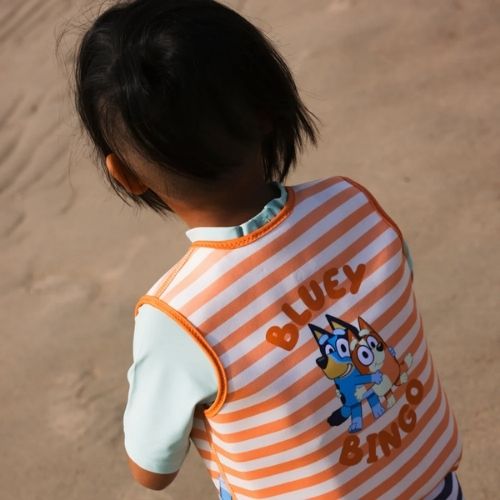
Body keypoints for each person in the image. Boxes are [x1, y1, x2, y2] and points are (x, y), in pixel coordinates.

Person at [73, 0, 463, 498]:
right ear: (265, 110)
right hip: (433, 484)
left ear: (126, 176)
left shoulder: (178, 318)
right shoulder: (350, 205)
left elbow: (152, 471)